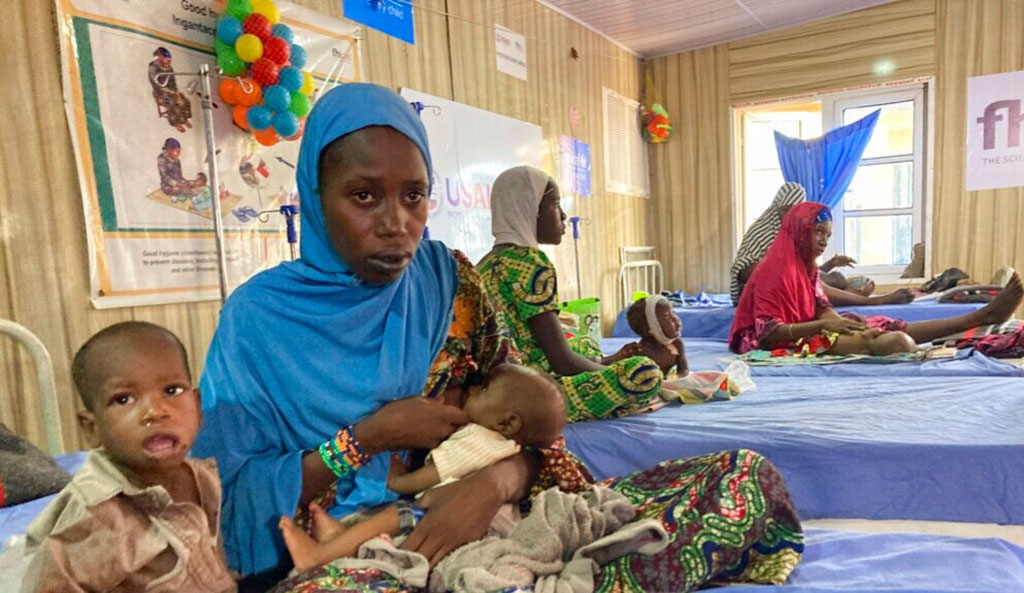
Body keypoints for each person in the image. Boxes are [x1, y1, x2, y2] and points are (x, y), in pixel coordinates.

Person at [193, 83, 803, 593]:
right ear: (315, 196)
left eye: (414, 195)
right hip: (360, 551)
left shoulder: (450, 281)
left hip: (500, 517)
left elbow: (533, 420)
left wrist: (492, 485)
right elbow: (231, 500)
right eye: (363, 196)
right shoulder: (258, 320)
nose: (396, 224)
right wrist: (368, 439)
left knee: (742, 474)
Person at [277, 364, 566, 572]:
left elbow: (433, 475)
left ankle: (320, 555)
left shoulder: (478, 441)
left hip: (459, 518)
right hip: (485, 517)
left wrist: (397, 480)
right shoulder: (505, 444)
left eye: (483, 389)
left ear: (507, 422)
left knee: (399, 513)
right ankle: (341, 539)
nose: (472, 388)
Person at [21, 322, 235, 593]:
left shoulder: (204, 478)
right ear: (92, 428)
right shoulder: (96, 515)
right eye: (123, 399)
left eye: (172, 391)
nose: (155, 411)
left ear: (198, 407)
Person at [477, 166, 664, 422]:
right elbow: (561, 361)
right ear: (530, 209)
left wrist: (605, 363)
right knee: (645, 373)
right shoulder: (531, 262)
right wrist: (609, 373)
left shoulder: (483, 265)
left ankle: (606, 369)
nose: (563, 216)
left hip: (495, 389)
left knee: (583, 341)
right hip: (534, 392)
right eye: (555, 205)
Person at [728, 202, 1024, 355]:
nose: (823, 241)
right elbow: (768, 333)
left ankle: (980, 317)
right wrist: (824, 326)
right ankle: (978, 318)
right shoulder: (772, 273)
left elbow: (820, 305)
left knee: (882, 326)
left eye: (827, 235)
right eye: (817, 232)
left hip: (807, 329)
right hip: (772, 343)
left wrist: (838, 322)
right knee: (894, 342)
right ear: (798, 232)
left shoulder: (807, 268)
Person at [730, 182, 913, 306]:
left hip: (785, 285)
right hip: (758, 293)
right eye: (786, 211)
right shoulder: (765, 231)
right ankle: (866, 300)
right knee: (826, 281)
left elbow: (798, 271)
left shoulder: (791, 232)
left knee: (843, 279)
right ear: (777, 208)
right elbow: (768, 275)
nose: (790, 216)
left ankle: (847, 295)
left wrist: (829, 265)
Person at [624, 295, 688, 377]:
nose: (675, 318)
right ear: (650, 328)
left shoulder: (677, 343)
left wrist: (677, 377)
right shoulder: (641, 351)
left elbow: (684, 369)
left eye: (673, 313)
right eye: (667, 316)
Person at [149, 47, 193, 133]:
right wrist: (170, 92)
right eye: (166, 59)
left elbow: (173, 81)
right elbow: (155, 84)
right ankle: (176, 123)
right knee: (172, 102)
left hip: (172, 91)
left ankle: (185, 119)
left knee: (186, 101)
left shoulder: (169, 68)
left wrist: (176, 92)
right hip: (160, 93)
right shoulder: (153, 68)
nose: (168, 62)